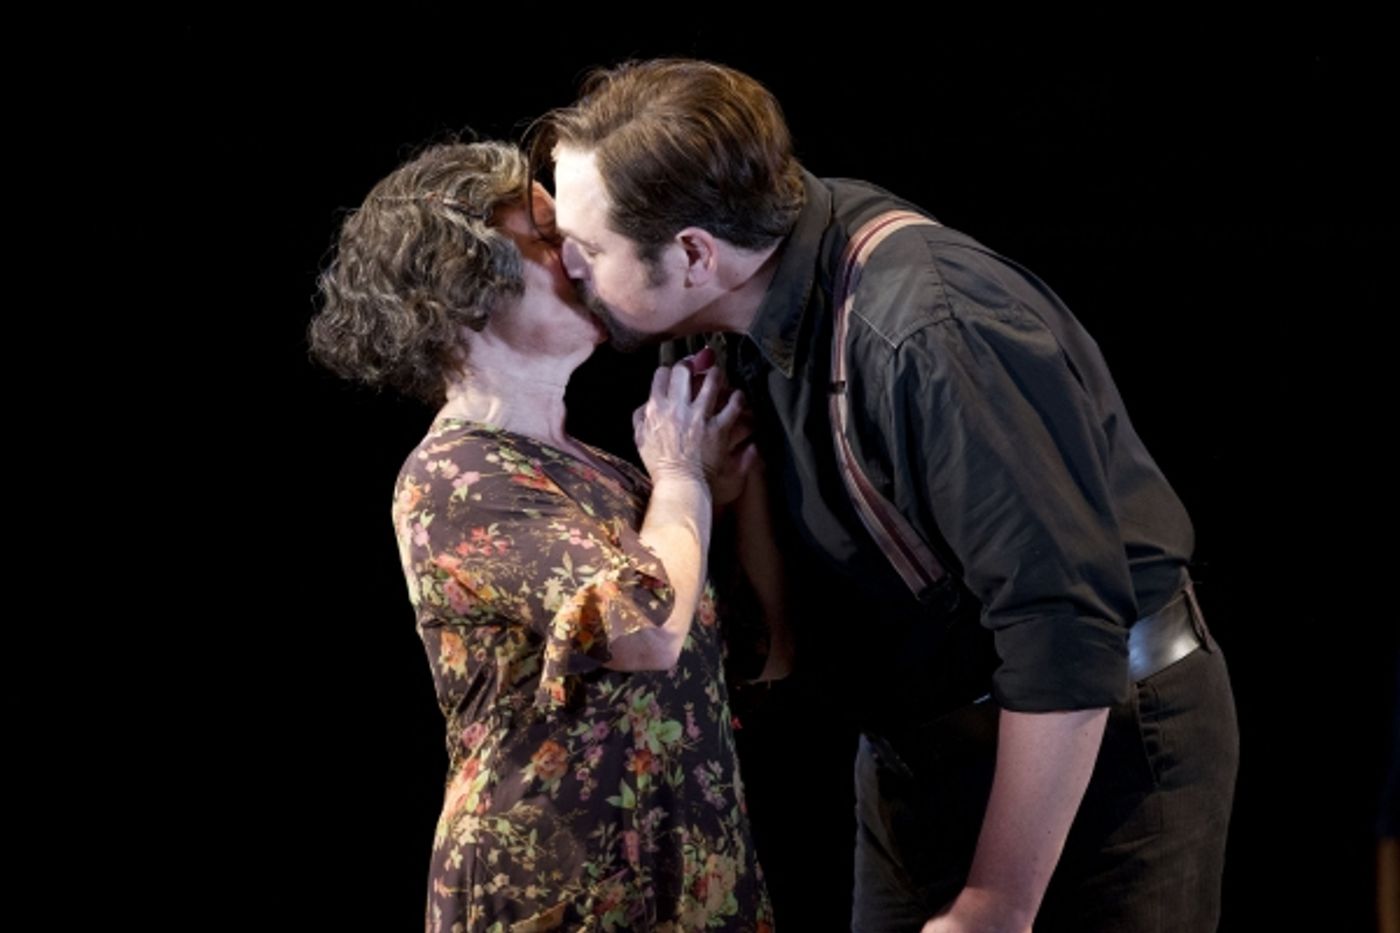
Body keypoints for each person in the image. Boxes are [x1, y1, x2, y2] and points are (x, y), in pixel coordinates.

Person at [535, 59, 1240, 932]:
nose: (564, 266)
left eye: (588, 247)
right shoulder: (710, 333)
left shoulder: (929, 329)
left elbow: (1062, 622)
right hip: (919, 753)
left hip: (1094, 747)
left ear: (693, 253)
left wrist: (999, 900)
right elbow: (777, 643)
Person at [308, 140, 779, 932]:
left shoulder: (608, 474)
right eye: (549, 238)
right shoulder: (454, 477)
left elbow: (764, 652)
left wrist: (725, 490)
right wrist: (682, 478)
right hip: (558, 895)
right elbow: (645, 633)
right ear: (460, 280)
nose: (583, 257)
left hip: (688, 881)